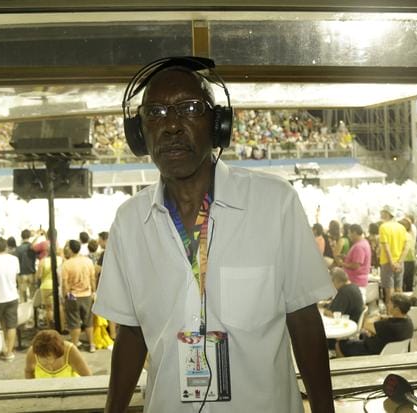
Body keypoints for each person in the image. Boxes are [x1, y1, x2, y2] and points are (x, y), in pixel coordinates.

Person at [93, 57, 335, 412]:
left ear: (219, 124)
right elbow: (130, 332)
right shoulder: (129, 222)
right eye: (155, 113)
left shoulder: (275, 202)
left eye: (190, 108)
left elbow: (304, 319)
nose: (171, 125)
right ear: (138, 133)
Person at [335, 293, 413, 357]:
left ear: (397, 309)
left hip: (373, 352)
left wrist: (378, 316)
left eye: (390, 304)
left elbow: (366, 324)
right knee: (364, 333)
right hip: (393, 352)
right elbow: (385, 332)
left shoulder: (388, 325)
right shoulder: (409, 322)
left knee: (339, 344)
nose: (387, 305)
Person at [61, 240, 97, 352]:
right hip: (87, 294)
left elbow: (65, 283)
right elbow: (92, 278)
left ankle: (75, 346)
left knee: (74, 321)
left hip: (72, 295)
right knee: (88, 320)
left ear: (70, 249)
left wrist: (65, 295)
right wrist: (94, 291)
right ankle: (91, 344)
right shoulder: (88, 261)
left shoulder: (66, 264)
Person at [378, 206, 409, 313]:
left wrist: (392, 263)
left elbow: (386, 247)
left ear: (387, 213)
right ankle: (402, 314)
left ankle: (390, 316)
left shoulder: (383, 227)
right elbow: (406, 247)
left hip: (388, 262)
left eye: (382, 212)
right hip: (400, 263)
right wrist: (399, 262)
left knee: (389, 292)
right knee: (399, 289)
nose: (381, 214)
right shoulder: (401, 227)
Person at [24, 330, 92, 378]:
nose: (45, 361)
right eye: (41, 356)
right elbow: (28, 372)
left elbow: (88, 377)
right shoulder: (32, 352)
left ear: (56, 352)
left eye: (47, 357)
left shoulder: (70, 350)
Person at [336, 224, 371, 298]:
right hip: (357, 281)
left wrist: (342, 264)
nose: (349, 235)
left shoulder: (359, 246)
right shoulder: (363, 243)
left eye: (349, 233)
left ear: (354, 233)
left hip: (356, 281)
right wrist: (346, 257)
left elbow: (356, 265)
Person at [15, 229, 37, 302]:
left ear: (21, 237)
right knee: (33, 297)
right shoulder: (33, 247)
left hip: (21, 274)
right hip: (32, 273)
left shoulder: (18, 249)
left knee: (22, 297)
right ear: (29, 236)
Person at [399, 218, 417, 292]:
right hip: (411, 259)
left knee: (402, 282)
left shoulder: (404, 235)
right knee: (409, 282)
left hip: (403, 260)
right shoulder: (410, 234)